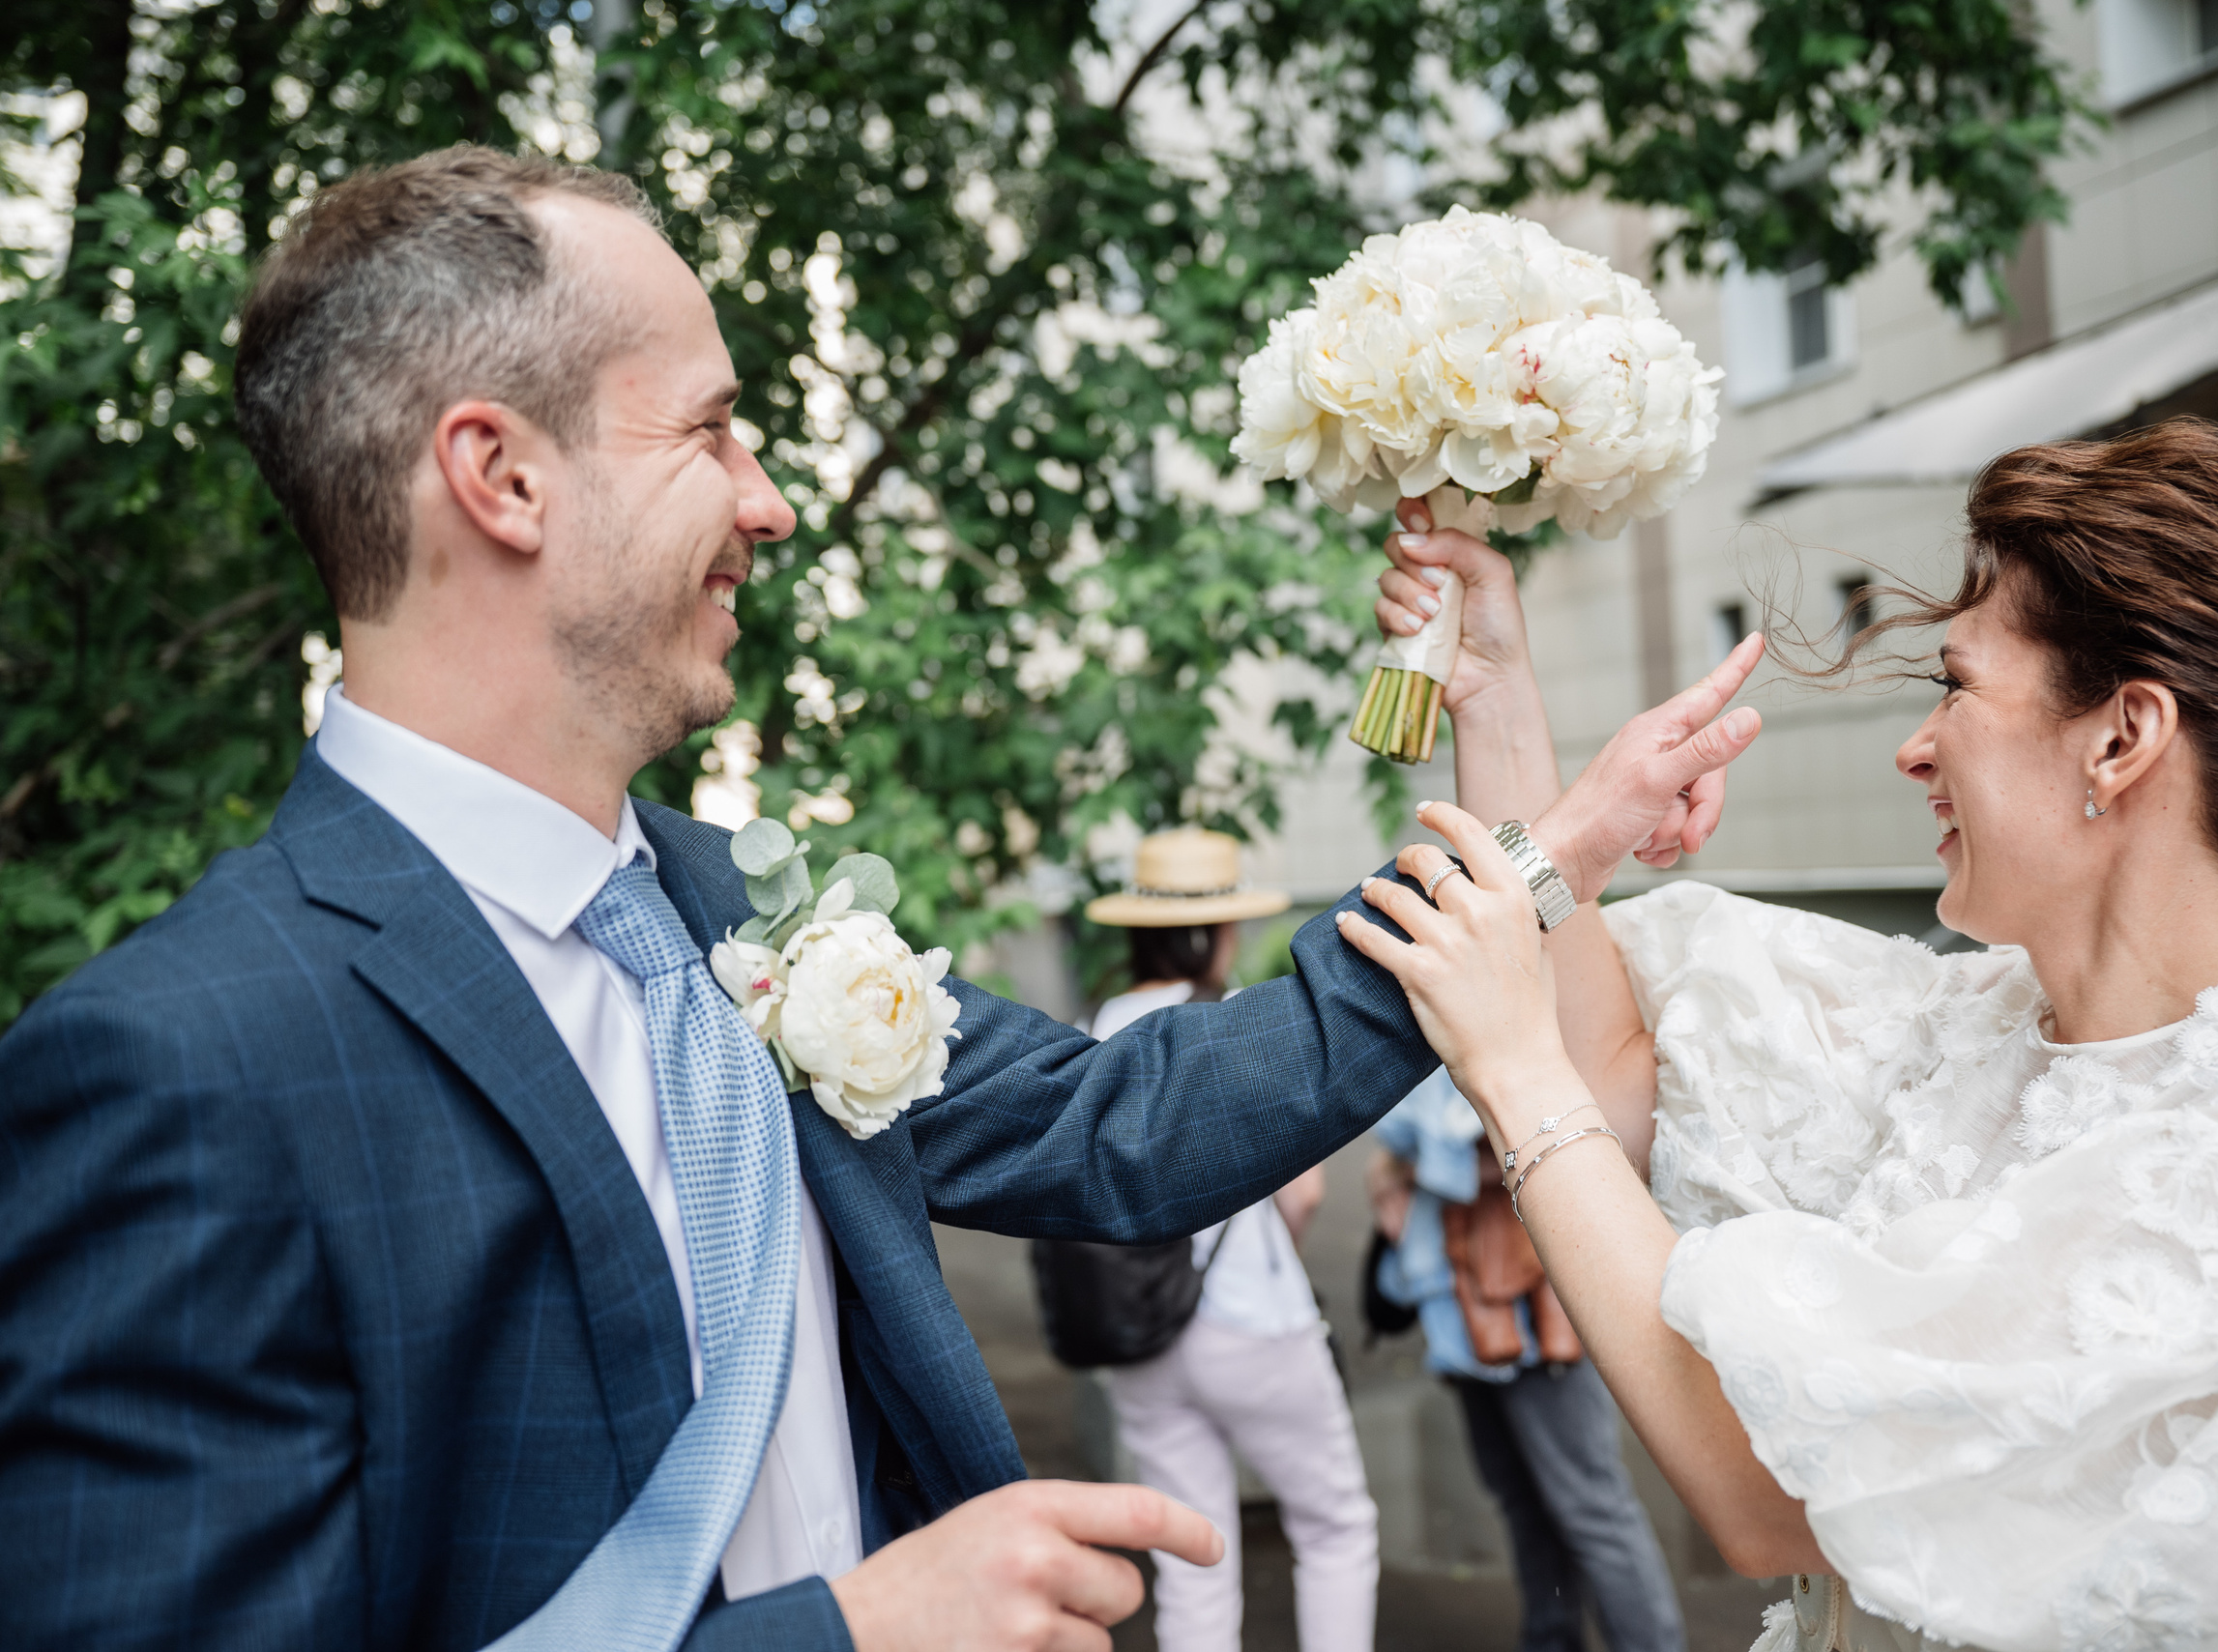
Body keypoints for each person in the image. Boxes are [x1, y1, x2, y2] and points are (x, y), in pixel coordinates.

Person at [0, 148, 1754, 1652]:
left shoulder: (742, 911)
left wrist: (1561, 835)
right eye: (709, 429)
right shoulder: (176, 1066)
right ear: (501, 475)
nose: (767, 500)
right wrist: (845, 1632)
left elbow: (1124, 1121)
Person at [1335, 419, 2218, 1652]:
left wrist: (1509, 1075)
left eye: (1956, 684)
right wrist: (1495, 691)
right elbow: (1613, 1058)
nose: (1914, 745)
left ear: (2122, 736)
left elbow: (1775, 1497)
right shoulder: (1966, 1020)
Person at [1083, 828, 1382, 1652]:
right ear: (1215, 931)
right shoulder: (1230, 1026)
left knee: (1194, 1555)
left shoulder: (1100, 1022)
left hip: (1140, 1328)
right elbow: (1304, 1191)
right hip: (1250, 1317)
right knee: (1334, 1526)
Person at [1369, 1069, 1686, 1652]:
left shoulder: (1531, 1017)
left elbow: (1558, 1148)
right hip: (1465, 1304)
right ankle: (1550, 1638)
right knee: (1523, 1498)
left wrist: (1406, 1168)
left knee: (1589, 1505)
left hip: (1535, 1304)